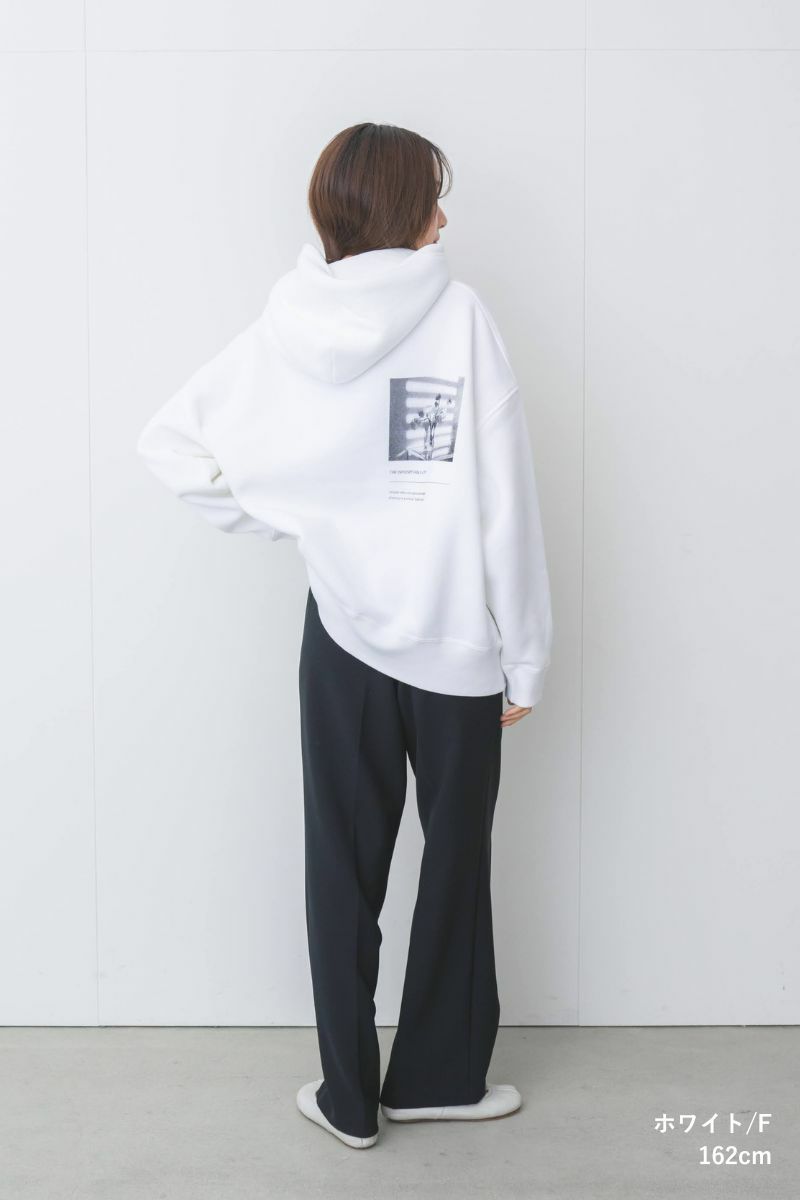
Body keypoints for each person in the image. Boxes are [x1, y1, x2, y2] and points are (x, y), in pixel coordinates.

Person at [136, 122, 553, 1150]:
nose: (444, 219)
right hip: (456, 643)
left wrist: (304, 522)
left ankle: (346, 1098)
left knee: (340, 866)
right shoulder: (459, 316)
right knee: (455, 867)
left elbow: (173, 445)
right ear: (401, 207)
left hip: (342, 641)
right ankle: (439, 1080)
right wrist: (525, 651)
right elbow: (505, 501)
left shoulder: (289, 320)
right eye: (432, 197)